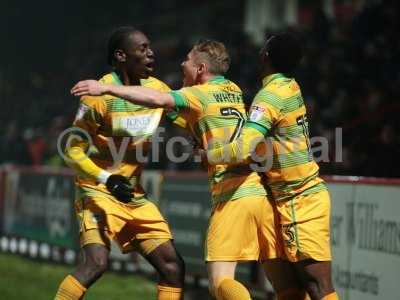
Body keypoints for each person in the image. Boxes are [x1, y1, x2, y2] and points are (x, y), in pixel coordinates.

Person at [72, 39, 304, 300]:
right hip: (261, 195)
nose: (182, 64)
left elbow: (159, 99)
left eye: (188, 60)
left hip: (232, 196)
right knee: (287, 287)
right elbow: (197, 118)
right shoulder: (233, 89)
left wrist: (105, 88)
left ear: (201, 69)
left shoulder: (197, 95)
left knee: (220, 283)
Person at [202, 33, 337, 300]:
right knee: (295, 288)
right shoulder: (290, 85)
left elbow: (243, 148)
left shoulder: (270, 97)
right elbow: (274, 142)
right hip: (291, 196)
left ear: (265, 56)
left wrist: (211, 153)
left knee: (317, 286)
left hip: (299, 199)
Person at [55, 26, 184, 300]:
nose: (151, 54)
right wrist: (107, 178)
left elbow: (183, 119)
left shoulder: (156, 90)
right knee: (96, 264)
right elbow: (73, 149)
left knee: (172, 267)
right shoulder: (96, 97)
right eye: (143, 49)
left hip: (133, 195)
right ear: (121, 56)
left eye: (150, 48)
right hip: (97, 191)